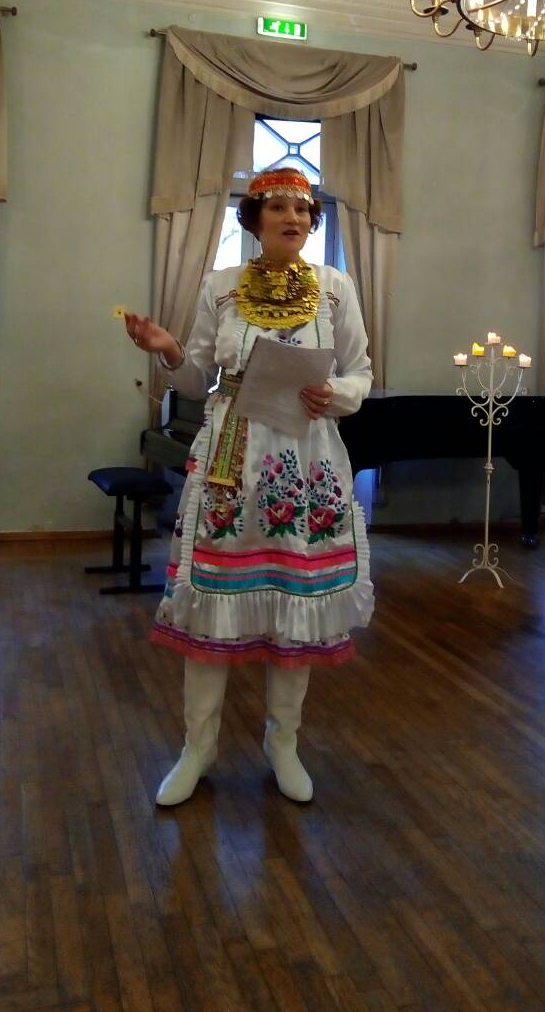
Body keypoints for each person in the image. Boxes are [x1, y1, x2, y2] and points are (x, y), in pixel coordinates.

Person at [123, 168, 374, 805]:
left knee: (295, 597)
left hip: (305, 456)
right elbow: (196, 377)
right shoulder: (221, 286)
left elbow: (361, 372)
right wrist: (168, 349)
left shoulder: (336, 287)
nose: (294, 218)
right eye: (280, 207)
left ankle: (283, 744)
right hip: (232, 455)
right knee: (212, 593)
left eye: (304, 209)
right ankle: (197, 749)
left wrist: (334, 393)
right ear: (255, 218)